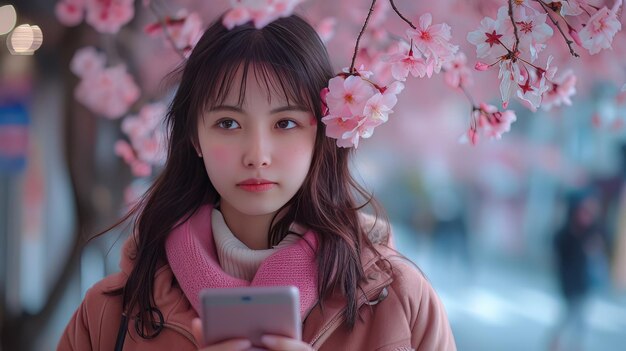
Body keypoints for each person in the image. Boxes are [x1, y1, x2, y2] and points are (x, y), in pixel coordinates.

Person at [57, 14, 456, 351]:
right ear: (195, 136)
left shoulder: (401, 302)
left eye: (285, 123)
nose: (257, 155)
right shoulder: (109, 314)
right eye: (228, 123)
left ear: (323, 133)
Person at [549, 189, 606, 351]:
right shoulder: (565, 234)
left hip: (584, 282)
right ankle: (557, 342)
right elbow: (560, 261)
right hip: (570, 283)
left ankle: (568, 344)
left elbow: (599, 247)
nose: (587, 216)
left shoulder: (592, 231)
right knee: (570, 316)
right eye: (584, 211)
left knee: (577, 318)